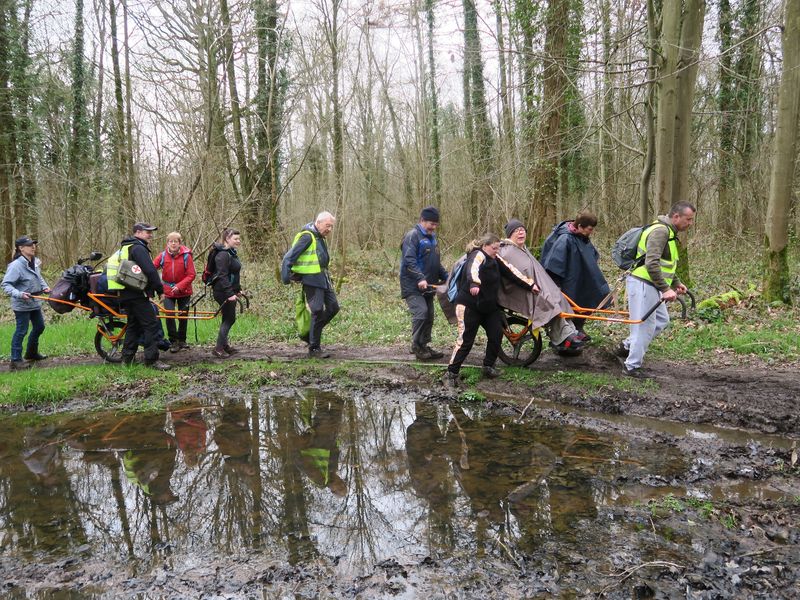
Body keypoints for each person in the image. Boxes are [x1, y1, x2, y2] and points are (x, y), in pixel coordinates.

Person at [445, 233, 537, 387]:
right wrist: (474, 283)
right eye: (494, 248)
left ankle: (488, 366)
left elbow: (511, 271)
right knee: (466, 341)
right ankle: (451, 374)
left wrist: (530, 284)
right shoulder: (477, 255)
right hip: (469, 306)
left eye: (498, 248)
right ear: (485, 246)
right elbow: (472, 269)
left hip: (488, 307)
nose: (497, 251)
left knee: (496, 334)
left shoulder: (495, 258)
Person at [619, 202, 696, 378]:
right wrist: (665, 288)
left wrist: (675, 282)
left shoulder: (669, 233)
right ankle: (631, 367)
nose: (690, 223)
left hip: (651, 284)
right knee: (644, 327)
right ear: (676, 216)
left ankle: (627, 346)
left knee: (662, 321)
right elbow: (651, 262)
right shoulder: (661, 232)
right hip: (643, 283)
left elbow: (665, 263)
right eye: (688, 219)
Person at [497, 220, 585, 354]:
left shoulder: (522, 249)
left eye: (522, 230)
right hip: (520, 291)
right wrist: (532, 286)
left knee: (557, 296)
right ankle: (562, 336)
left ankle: (570, 331)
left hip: (534, 288)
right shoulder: (508, 252)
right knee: (548, 303)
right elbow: (514, 275)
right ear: (510, 235)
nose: (520, 232)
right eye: (516, 231)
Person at [106, 222, 171, 370]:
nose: (150, 235)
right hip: (136, 294)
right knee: (151, 325)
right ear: (138, 232)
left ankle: (127, 359)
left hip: (125, 293)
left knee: (134, 326)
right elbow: (150, 270)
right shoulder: (138, 248)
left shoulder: (126, 247)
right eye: (148, 232)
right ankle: (152, 360)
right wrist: (160, 289)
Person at [540, 210, 611, 341]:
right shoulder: (565, 239)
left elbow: (590, 255)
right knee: (570, 305)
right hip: (568, 280)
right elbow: (554, 264)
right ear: (579, 227)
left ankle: (578, 328)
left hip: (581, 276)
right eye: (590, 229)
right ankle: (567, 335)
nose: (592, 232)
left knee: (590, 297)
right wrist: (556, 286)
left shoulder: (582, 237)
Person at [281, 211, 340, 358]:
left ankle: (309, 334)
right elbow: (288, 257)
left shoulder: (320, 237)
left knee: (333, 308)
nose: (330, 230)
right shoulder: (307, 237)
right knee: (317, 310)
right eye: (328, 226)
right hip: (311, 279)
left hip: (323, 277)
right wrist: (286, 277)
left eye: (331, 227)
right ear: (318, 222)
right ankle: (314, 348)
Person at [400, 206, 449, 360]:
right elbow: (409, 260)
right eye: (431, 224)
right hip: (413, 285)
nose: (433, 227)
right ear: (422, 220)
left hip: (429, 286)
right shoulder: (412, 236)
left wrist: (447, 276)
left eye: (436, 225)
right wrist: (420, 278)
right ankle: (415, 345)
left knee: (429, 316)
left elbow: (435, 262)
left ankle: (424, 345)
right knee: (421, 313)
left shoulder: (432, 238)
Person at [2, 236, 50, 370]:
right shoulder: (16, 266)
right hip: (22, 304)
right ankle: (15, 360)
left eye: (34, 244)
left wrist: (45, 287)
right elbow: (6, 284)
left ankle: (31, 353)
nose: (33, 246)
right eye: (29, 245)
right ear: (21, 248)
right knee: (21, 331)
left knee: (39, 326)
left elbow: (38, 278)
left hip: (35, 302)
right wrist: (20, 294)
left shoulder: (34, 262)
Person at [153, 231, 196, 353]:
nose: (173, 244)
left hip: (184, 291)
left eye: (175, 241)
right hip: (167, 291)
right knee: (170, 314)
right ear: (167, 243)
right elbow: (151, 268)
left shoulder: (187, 256)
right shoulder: (162, 256)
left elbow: (191, 274)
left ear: (179, 243)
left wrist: (179, 286)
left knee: (183, 316)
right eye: (170, 241)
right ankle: (173, 341)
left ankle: (182, 340)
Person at [211, 228, 243, 358]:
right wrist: (230, 293)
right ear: (227, 239)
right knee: (230, 318)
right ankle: (218, 348)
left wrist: (238, 289)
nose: (238, 241)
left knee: (227, 317)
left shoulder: (231, 253)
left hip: (229, 290)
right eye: (235, 239)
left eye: (239, 238)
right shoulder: (223, 255)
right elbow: (222, 276)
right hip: (222, 292)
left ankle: (224, 345)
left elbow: (234, 273)